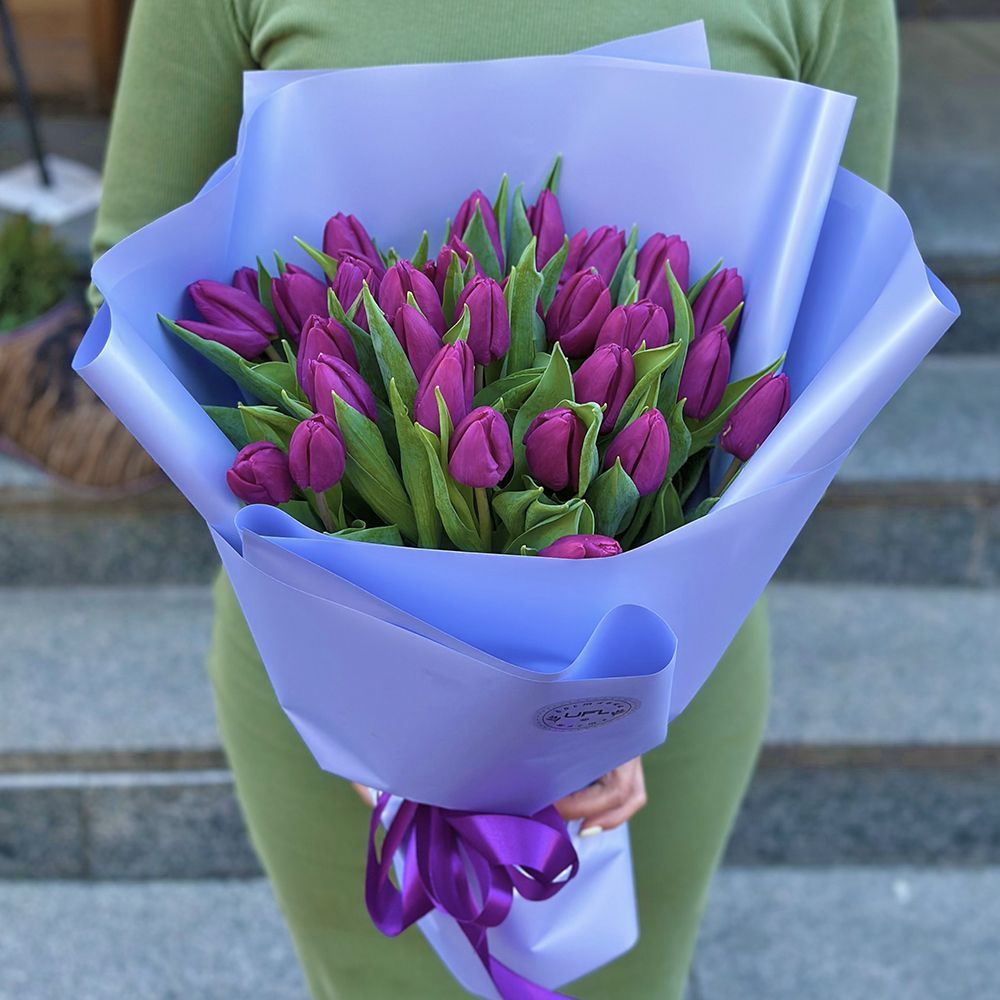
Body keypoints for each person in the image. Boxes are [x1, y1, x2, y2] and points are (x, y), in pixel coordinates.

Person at [91, 2, 898, 996]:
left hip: (661, 688)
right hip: (328, 687)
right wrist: (377, 709)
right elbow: (138, 288)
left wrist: (601, 714)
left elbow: (832, 321)